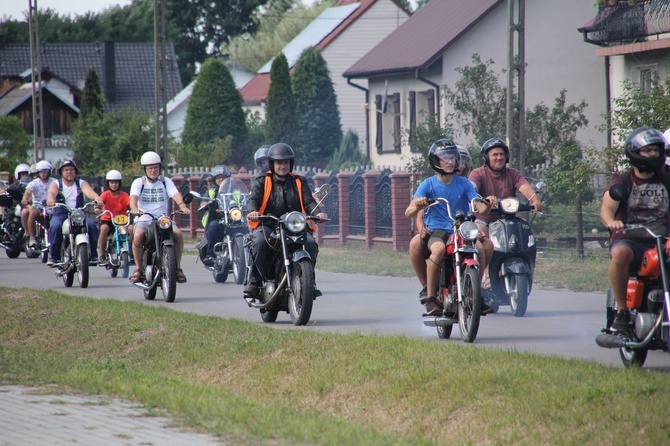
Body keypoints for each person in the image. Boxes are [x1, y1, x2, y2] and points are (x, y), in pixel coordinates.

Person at [405, 139, 492, 316]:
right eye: (445, 158)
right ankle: (430, 298)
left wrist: (488, 203)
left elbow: (479, 206)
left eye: (453, 158)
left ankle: (476, 292)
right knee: (437, 249)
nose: (450, 161)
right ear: (436, 161)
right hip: (438, 230)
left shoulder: (465, 183)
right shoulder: (428, 184)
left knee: (483, 248)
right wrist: (419, 204)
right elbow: (409, 212)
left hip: (461, 228)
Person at [600, 127, 670, 333]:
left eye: (655, 150)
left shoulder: (667, 179)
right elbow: (606, 210)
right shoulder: (622, 180)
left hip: (663, 238)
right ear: (634, 153)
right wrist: (612, 222)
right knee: (620, 254)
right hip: (631, 238)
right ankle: (622, 312)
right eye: (647, 151)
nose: (652, 155)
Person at [244, 143, 327, 299]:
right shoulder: (262, 180)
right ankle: (256, 281)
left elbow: (309, 201)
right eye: (279, 162)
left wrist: (318, 213)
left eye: (286, 162)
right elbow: (253, 198)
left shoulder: (299, 181)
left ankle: (309, 282)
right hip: (268, 224)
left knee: (309, 243)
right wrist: (253, 211)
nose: (282, 166)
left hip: (294, 225)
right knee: (260, 242)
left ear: (291, 164)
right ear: (272, 164)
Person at [468, 137, 544, 288]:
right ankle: (487, 277)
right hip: (485, 221)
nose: (499, 158)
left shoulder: (513, 174)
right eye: (495, 154)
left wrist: (535, 200)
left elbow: (525, 188)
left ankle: (528, 272)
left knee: (524, 235)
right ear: (486, 157)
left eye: (502, 154)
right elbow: (471, 191)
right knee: (483, 238)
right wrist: (482, 200)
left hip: (507, 220)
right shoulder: (478, 174)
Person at [129, 151, 191, 283]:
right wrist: (135, 209)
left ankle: (178, 268)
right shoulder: (139, 182)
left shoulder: (165, 181)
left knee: (178, 234)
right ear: (145, 169)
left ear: (159, 168)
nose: (153, 171)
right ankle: (138, 269)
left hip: (163, 219)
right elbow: (133, 198)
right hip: (144, 218)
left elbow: (175, 194)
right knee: (138, 235)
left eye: (156, 168)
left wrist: (182, 206)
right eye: (150, 168)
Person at [45, 160, 103, 266]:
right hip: (61, 214)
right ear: (61, 172)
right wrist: (50, 199)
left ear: (75, 172)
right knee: (55, 226)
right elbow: (52, 193)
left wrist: (97, 197)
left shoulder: (81, 183)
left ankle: (93, 255)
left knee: (91, 226)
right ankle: (54, 256)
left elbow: (89, 192)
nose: (69, 172)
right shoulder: (56, 183)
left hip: (77, 215)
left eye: (71, 169)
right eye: (66, 170)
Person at [97, 169, 132, 266]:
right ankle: (102, 255)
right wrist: (98, 208)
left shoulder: (124, 195)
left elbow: (131, 204)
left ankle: (131, 253)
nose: (114, 185)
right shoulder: (105, 194)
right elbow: (99, 203)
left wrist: (135, 209)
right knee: (103, 229)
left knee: (131, 229)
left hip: (122, 221)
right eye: (112, 182)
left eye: (116, 182)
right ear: (108, 183)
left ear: (119, 183)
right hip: (108, 220)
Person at [21, 160, 56, 248]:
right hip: (39, 206)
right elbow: (27, 192)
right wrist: (25, 198)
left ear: (49, 172)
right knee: (30, 211)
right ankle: (32, 237)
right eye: (41, 172)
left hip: (52, 207)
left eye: (45, 172)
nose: (43, 174)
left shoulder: (54, 182)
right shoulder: (34, 183)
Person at [202, 165, 231, 266]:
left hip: (234, 219)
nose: (221, 179)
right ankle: (210, 255)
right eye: (218, 177)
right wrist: (205, 204)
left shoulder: (234, 191)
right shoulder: (211, 192)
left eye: (223, 177)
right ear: (215, 179)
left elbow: (243, 200)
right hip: (218, 219)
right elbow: (203, 201)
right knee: (213, 226)